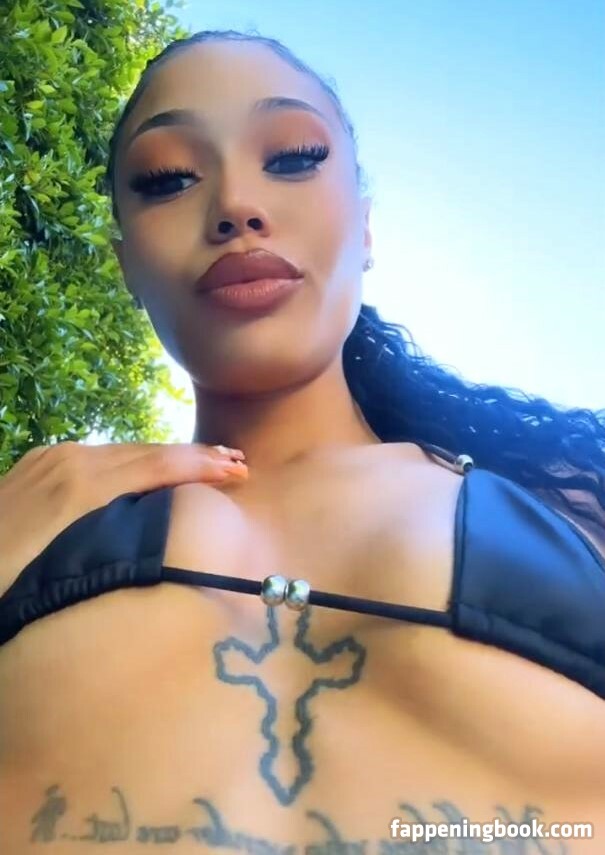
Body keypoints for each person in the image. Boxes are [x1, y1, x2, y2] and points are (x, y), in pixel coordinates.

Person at [0, 29, 603, 854]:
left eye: (291, 157)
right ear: (125, 267)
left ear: (365, 227)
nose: (235, 205)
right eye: (168, 177)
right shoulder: (38, 515)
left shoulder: (571, 495)